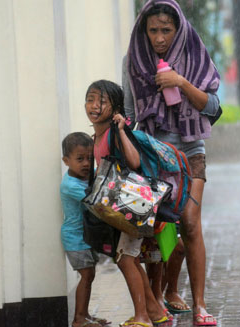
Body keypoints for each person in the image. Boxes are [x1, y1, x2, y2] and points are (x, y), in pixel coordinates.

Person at [122, 1, 220, 325]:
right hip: (154, 153)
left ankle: (200, 306)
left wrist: (180, 82)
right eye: (153, 30)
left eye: (166, 30)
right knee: (158, 228)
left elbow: (214, 107)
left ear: (178, 29)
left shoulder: (194, 53)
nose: (160, 38)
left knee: (190, 222)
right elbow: (131, 112)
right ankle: (160, 295)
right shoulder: (133, 60)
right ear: (144, 30)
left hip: (191, 151)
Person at [84, 80, 170, 327]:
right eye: (90, 99)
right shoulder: (97, 135)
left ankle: (142, 317)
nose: (95, 106)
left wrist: (121, 130)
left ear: (116, 107)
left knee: (126, 259)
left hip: (134, 207)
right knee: (127, 258)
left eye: (103, 101)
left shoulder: (114, 131)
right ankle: (154, 312)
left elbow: (133, 162)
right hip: (121, 209)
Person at [60, 132, 110, 327]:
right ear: (66, 160)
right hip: (75, 238)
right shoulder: (70, 185)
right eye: (79, 159)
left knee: (89, 275)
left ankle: (85, 315)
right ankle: (79, 318)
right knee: (87, 275)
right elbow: (95, 200)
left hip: (85, 237)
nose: (86, 164)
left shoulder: (83, 178)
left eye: (90, 158)